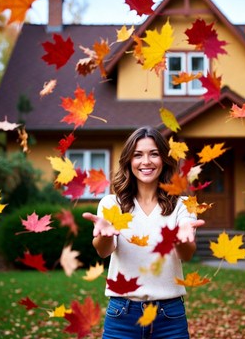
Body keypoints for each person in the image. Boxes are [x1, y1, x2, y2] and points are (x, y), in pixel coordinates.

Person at [83, 126, 204, 339]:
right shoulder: (112, 203)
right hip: (122, 314)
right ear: (129, 161)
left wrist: (181, 237)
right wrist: (105, 235)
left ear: (164, 160)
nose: (146, 162)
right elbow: (103, 252)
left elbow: (186, 254)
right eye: (138, 155)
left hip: (169, 317)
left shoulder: (184, 204)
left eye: (154, 154)